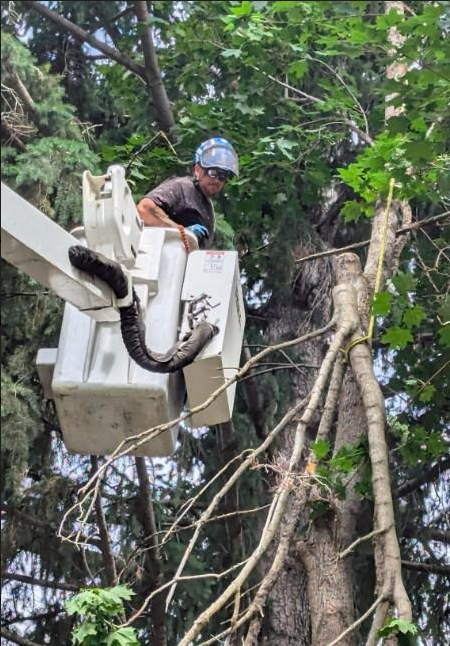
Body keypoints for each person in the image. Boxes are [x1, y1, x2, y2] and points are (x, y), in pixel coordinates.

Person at [137, 137, 239, 249]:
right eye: (213, 172)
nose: (217, 180)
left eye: (223, 176)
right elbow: (144, 209)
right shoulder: (182, 187)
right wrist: (180, 232)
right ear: (198, 170)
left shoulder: (207, 206)